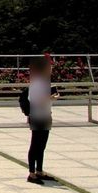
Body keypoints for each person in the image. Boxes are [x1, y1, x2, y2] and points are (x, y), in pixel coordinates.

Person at [26, 55, 59, 184]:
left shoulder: (45, 83)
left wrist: (51, 98)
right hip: (37, 116)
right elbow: (34, 101)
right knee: (35, 144)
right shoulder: (36, 84)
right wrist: (50, 99)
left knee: (42, 145)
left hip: (46, 115)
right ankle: (31, 173)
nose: (50, 70)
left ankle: (39, 170)